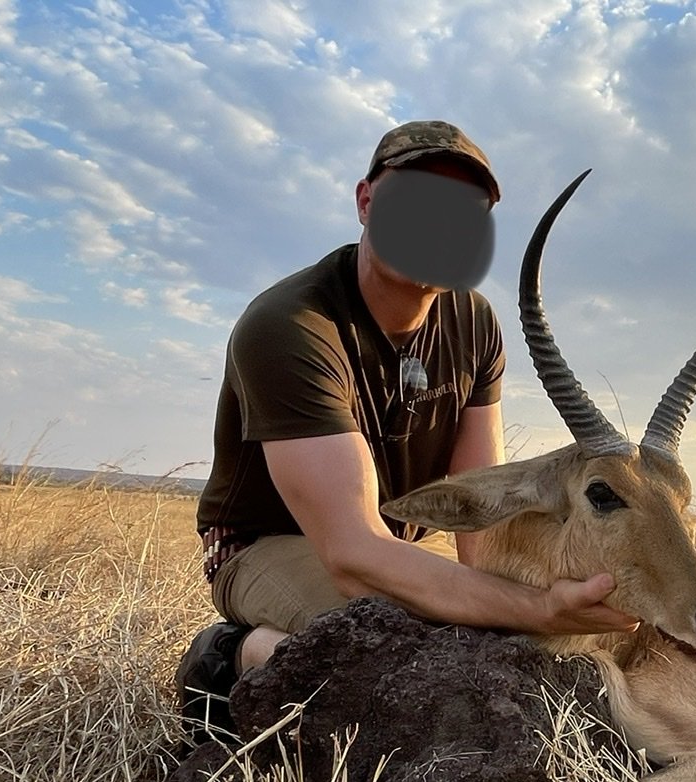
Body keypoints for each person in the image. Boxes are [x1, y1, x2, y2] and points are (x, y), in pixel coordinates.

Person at [177, 120, 638, 744]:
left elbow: (480, 519)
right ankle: (231, 659)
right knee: (394, 639)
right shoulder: (291, 325)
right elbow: (354, 558)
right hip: (270, 545)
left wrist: (531, 598)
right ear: (366, 201)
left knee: (488, 637)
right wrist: (540, 610)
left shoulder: (473, 321)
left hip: (393, 544)